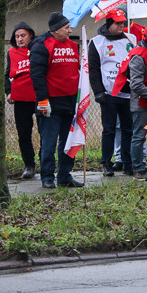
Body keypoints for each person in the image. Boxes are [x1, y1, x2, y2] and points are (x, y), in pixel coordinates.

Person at [29, 12, 84, 189]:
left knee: (68, 142)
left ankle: (65, 175)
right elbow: (37, 75)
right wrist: (42, 100)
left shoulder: (74, 46)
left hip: (70, 103)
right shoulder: (41, 45)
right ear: (55, 30)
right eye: (66, 28)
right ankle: (47, 176)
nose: (70, 30)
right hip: (51, 103)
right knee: (49, 142)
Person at [89, 9, 136, 177]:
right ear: (109, 24)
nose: (121, 26)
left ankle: (127, 162)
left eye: (123, 23)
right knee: (109, 130)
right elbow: (93, 69)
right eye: (117, 23)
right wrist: (98, 91)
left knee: (128, 129)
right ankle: (106, 162)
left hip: (129, 92)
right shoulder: (97, 42)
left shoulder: (131, 39)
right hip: (109, 93)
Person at [114, 24, 147, 180]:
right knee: (139, 136)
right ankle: (138, 169)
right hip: (142, 102)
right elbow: (136, 84)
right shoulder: (138, 56)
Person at [6, 21, 38, 178]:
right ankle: (29, 165)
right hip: (20, 100)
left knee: (44, 132)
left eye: (23, 35)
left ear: (30, 35)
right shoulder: (11, 52)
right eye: (17, 36)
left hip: (39, 98)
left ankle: (46, 162)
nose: (19, 39)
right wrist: (8, 92)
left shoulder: (38, 49)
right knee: (24, 134)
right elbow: (7, 75)